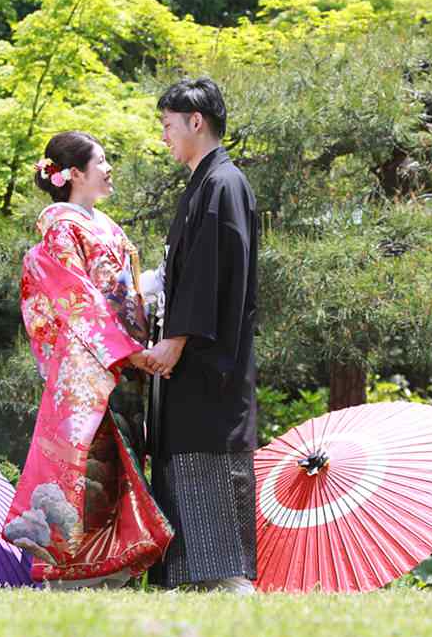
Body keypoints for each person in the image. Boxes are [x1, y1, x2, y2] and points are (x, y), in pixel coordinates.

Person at [2, 131, 172, 589]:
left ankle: (110, 568)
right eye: (102, 161)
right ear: (75, 173)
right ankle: (72, 572)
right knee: (87, 468)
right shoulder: (62, 228)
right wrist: (129, 349)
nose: (109, 168)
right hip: (90, 367)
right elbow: (79, 301)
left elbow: (121, 291)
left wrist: (157, 283)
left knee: (118, 466)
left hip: (120, 363)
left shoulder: (105, 226)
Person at [145, 78, 259, 593]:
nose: (164, 136)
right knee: (184, 456)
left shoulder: (224, 183)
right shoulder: (203, 184)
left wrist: (178, 338)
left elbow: (211, 273)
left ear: (196, 121)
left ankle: (226, 579)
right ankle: (193, 579)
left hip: (211, 358)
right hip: (192, 356)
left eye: (168, 125)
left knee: (208, 455)